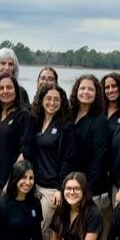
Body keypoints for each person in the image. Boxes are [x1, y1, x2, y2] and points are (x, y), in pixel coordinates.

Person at [0, 73, 34, 236]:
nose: (5, 91)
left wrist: (12, 180)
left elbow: (25, 150)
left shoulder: (23, 114)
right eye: (1, 88)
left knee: (7, 220)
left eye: (9, 87)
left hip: (8, 179)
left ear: (16, 90)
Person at [30, 84, 77, 231]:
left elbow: (69, 160)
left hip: (52, 189)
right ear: (41, 100)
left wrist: (60, 189)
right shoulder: (36, 122)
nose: (52, 103)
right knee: (40, 230)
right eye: (48, 98)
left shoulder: (66, 126)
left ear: (62, 102)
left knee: (40, 229)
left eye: (56, 99)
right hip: (34, 186)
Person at [71, 74, 111, 239]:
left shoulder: (99, 120)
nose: (86, 92)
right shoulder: (70, 115)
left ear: (97, 94)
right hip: (71, 183)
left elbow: (100, 159)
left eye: (90, 89)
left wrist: (90, 191)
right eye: (82, 88)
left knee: (86, 233)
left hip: (90, 187)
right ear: (76, 91)